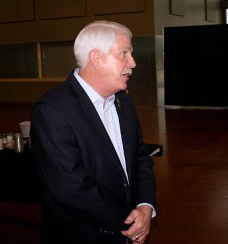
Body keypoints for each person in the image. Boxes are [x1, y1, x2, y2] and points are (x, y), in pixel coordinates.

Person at [31, 20, 156, 244]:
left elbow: (140, 158)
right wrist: (130, 221)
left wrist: (145, 206)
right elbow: (70, 189)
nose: (133, 63)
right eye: (124, 53)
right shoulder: (53, 110)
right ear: (96, 58)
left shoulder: (123, 103)